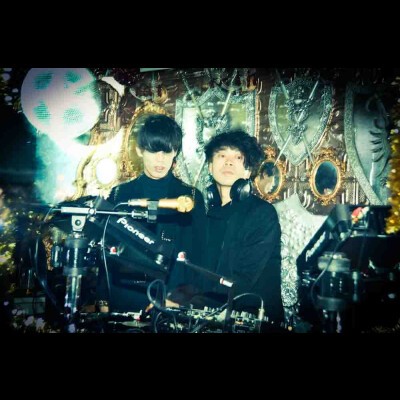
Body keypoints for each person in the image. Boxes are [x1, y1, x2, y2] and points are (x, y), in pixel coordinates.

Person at [96, 114, 206, 313]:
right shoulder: (121, 194)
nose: (160, 159)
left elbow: (199, 255)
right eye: (154, 150)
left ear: (175, 152)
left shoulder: (190, 196)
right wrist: (103, 298)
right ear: (140, 150)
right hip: (124, 294)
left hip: (171, 299)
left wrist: (179, 299)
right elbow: (108, 248)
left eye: (167, 151)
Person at [192, 130, 284, 324]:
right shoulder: (207, 216)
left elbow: (242, 279)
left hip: (255, 320)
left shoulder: (262, 214)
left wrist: (190, 300)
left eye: (238, 157)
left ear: (248, 171)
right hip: (212, 317)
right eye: (222, 155)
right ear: (210, 167)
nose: (228, 162)